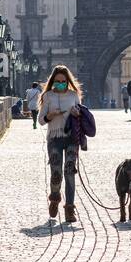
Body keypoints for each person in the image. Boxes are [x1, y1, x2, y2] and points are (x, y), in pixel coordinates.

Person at [39, 65, 84, 223]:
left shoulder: (74, 95)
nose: (60, 84)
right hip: (54, 138)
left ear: (68, 81)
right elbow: (40, 120)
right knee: (56, 172)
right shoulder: (48, 96)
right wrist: (49, 116)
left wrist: (77, 114)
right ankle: (55, 198)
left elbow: (81, 113)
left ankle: (70, 209)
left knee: (70, 173)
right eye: (57, 81)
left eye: (63, 81)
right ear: (53, 81)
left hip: (71, 138)